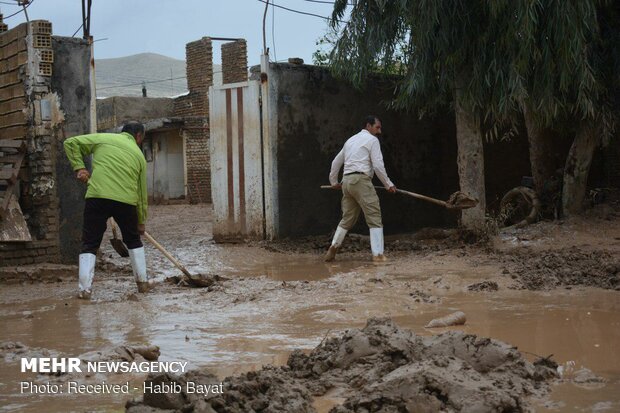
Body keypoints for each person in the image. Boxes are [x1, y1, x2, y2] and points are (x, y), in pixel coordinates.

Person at [64, 122, 149, 299]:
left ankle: (84, 290)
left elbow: (70, 143)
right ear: (139, 137)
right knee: (133, 240)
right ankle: (142, 284)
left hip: (97, 197)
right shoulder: (139, 156)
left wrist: (79, 167)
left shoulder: (103, 138)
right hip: (126, 201)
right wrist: (140, 221)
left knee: (89, 243)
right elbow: (141, 194)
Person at [326, 115, 396, 262]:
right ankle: (378, 255)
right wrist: (388, 184)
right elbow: (377, 165)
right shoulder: (372, 140)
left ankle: (333, 247)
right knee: (374, 216)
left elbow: (335, 163)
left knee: (347, 219)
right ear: (368, 126)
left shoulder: (350, 140)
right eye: (377, 127)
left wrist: (334, 182)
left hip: (346, 182)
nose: (379, 131)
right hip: (361, 180)